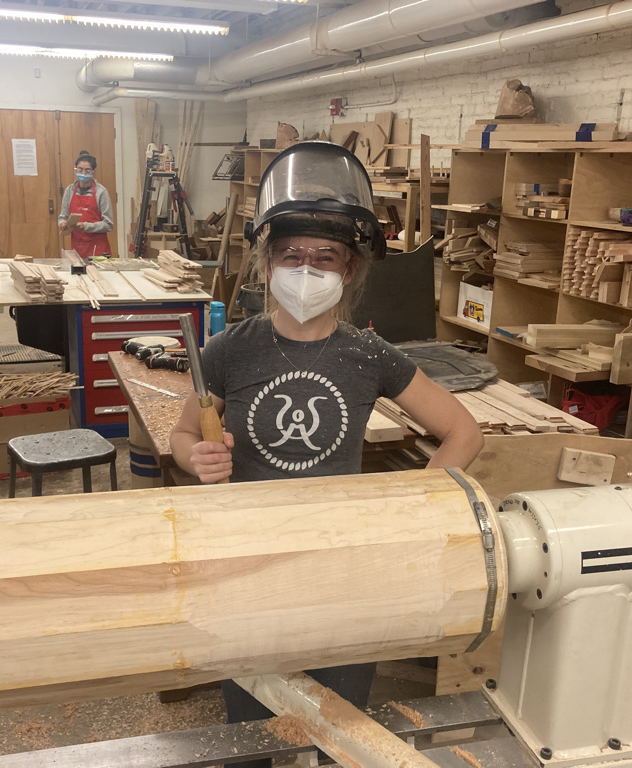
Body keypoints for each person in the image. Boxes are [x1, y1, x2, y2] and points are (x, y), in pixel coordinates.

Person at [169, 141, 484, 768]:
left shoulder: (369, 355)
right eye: (292, 255)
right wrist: (193, 457)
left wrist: (409, 501)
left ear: (350, 271)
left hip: (345, 565)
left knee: (339, 724)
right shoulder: (229, 350)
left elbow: (464, 432)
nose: (306, 270)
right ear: (265, 262)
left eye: (325, 257)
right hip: (250, 562)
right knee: (255, 728)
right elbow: (180, 437)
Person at [58, 150, 113, 260]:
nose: (83, 173)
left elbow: (108, 224)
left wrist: (85, 226)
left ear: (93, 171)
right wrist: (62, 223)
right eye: (80, 169)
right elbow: (62, 216)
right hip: (77, 249)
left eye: (87, 170)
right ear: (76, 170)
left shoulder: (101, 192)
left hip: (98, 251)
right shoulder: (70, 190)